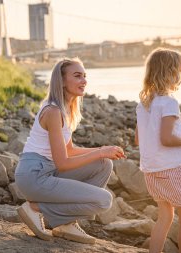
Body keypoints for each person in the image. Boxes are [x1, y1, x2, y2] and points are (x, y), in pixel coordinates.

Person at [14, 57, 126, 244]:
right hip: (34, 176)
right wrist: (99, 152)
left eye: (84, 76)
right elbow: (63, 163)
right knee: (103, 200)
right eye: (77, 76)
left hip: (46, 171)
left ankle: (65, 223)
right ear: (62, 81)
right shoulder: (53, 112)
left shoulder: (65, 110)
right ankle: (35, 208)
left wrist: (102, 150)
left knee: (104, 164)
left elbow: (70, 150)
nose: (84, 81)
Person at [135, 48, 181, 253]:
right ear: (167, 73)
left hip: (151, 171)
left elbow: (138, 139)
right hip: (172, 170)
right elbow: (166, 139)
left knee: (165, 216)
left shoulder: (143, 104)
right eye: (179, 71)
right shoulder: (169, 103)